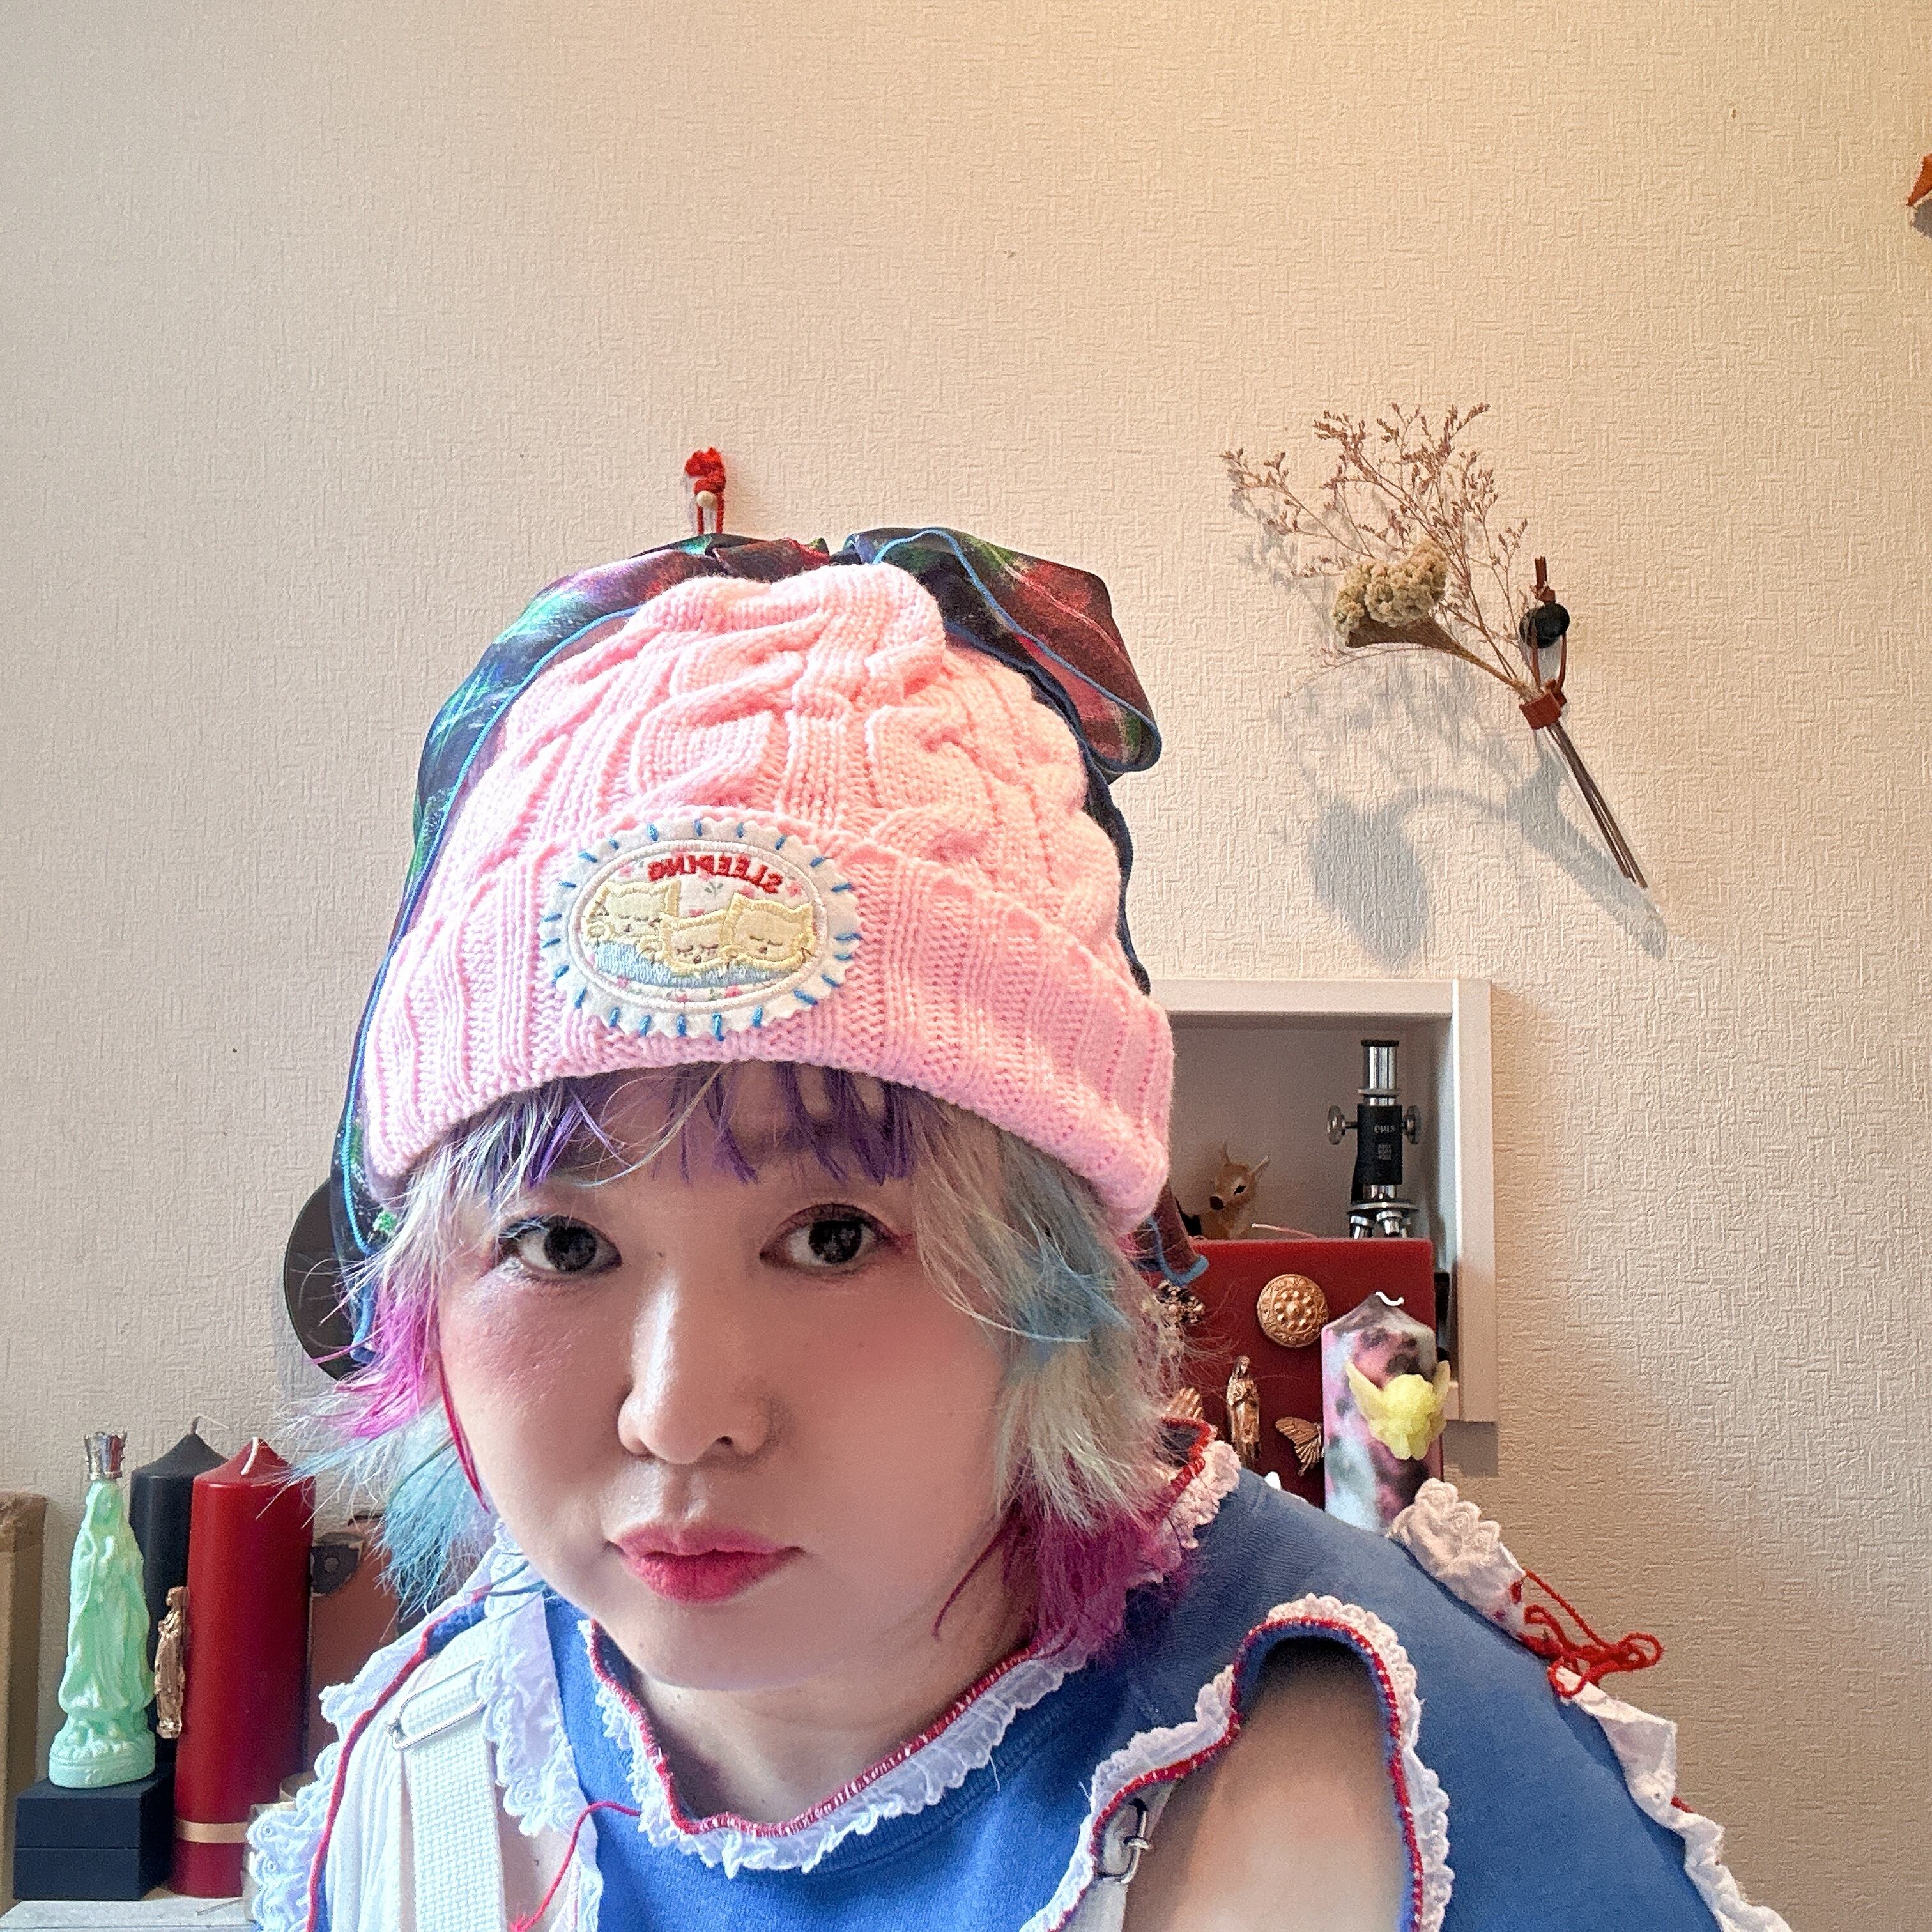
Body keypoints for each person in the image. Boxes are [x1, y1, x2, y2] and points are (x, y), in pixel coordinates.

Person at [250, 529, 1786, 1930]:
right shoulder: (433, 1784)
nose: (681, 1414)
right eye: (560, 1244)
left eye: (834, 1236)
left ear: (1058, 1284)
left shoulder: (1362, 1818)